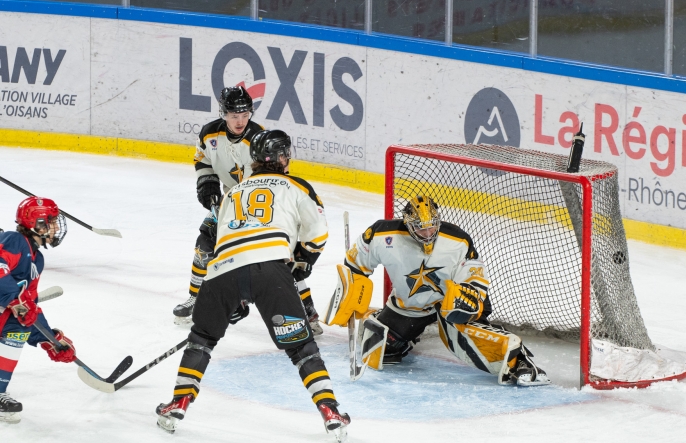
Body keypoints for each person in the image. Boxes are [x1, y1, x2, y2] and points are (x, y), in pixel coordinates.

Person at [156, 130, 350, 441]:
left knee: (201, 340)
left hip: (220, 272)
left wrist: (236, 299)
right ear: (284, 158)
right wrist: (301, 260)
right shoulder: (297, 185)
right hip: (271, 271)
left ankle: (178, 404)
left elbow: (223, 241)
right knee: (301, 348)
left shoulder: (235, 190)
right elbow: (317, 233)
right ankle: (330, 411)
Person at [325, 195, 550, 387]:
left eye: (432, 226)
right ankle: (402, 334)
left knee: (467, 338)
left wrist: (470, 295)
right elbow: (355, 265)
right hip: (412, 306)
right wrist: (351, 292)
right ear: (408, 224)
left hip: (450, 302)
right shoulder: (381, 235)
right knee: (384, 351)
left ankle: (520, 361)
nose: (427, 232)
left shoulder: (457, 239)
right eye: (420, 228)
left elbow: (474, 273)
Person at [173, 86, 324, 336]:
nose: (240, 121)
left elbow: (267, 181)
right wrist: (207, 182)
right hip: (231, 202)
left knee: (278, 257)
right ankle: (195, 297)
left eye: (245, 115)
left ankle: (308, 311)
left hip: (260, 206)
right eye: (234, 115)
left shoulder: (259, 139)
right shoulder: (209, 134)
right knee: (205, 243)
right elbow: (202, 159)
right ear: (223, 113)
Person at [0, 197, 77, 423]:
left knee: (18, 327)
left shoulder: (37, 259)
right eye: (51, 221)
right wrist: (14, 301)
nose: (55, 227)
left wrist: (49, 339)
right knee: (16, 320)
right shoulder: (14, 241)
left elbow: (29, 307)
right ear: (38, 223)